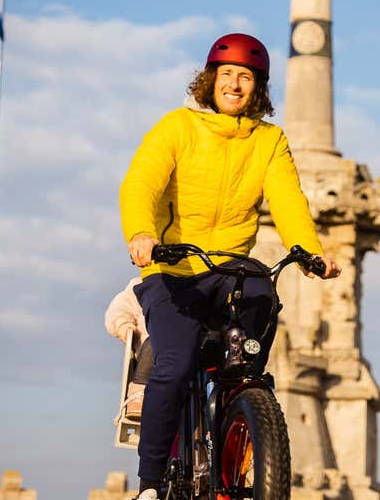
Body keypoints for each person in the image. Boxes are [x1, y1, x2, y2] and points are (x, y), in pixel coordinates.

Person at [119, 33, 341, 500]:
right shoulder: (177, 127)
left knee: (263, 292)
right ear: (210, 81)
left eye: (245, 78)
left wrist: (309, 252)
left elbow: (287, 200)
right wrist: (142, 232)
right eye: (227, 76)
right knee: (175, 366)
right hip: (174, 268)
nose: (235, 85)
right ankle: (151, 483)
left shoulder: (268, 140)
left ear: (257, 89)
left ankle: (243, 397)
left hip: (230, 267)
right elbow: (141, 182)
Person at [104, 277, 151, 420]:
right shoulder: (141, 283)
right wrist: (122, 325)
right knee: (155, 341)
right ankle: (138, 391)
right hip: (151, 347)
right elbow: (120, 308)